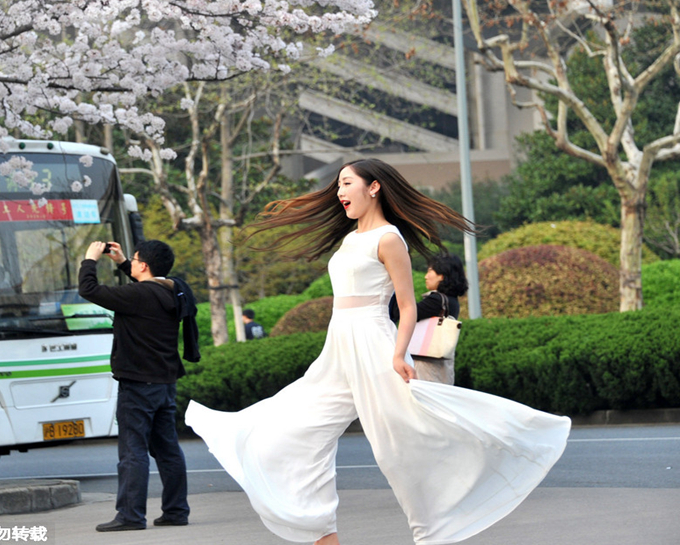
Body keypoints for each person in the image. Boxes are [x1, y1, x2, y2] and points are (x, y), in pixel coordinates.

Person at [185, 159, 571, 545]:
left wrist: (399, 354)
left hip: (373, 345)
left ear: (373, 188)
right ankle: (320, 532)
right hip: (338, 350)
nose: (339, 192)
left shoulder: (389, 239)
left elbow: (406, 307)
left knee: (401, 448)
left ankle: (438, 523)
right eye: (338, 184)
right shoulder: (350, 238)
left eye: (346, 183)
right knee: (290, 432)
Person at [78, 239, 192, 532]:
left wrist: (90, 259)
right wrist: (121, 262)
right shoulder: (175, 290)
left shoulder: (138, 295)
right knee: (167, 449)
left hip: (138, 385)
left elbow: (88, 290)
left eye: (135, 260)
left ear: (142, 265)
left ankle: (130, 516)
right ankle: (176, 510)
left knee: (133, 451)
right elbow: (147, 285)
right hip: (165, 382)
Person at [389, 252, 469, 385]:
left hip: (426, 364)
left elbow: (402, 314)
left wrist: (396, 287)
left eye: (430, 271)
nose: (426, 276)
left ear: (442, 275)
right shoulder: (451, 301)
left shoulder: (437, 301)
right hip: (440, 364)